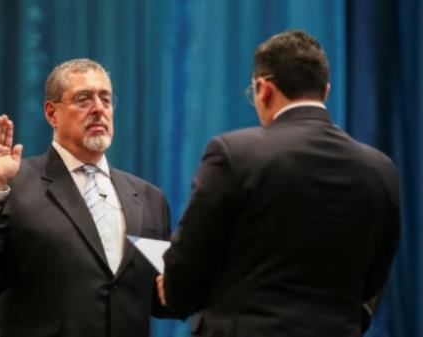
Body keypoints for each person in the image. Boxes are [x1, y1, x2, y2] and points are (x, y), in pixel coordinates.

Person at [157, 30, 400, 337]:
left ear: (264, 89)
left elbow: (188, 263)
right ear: (325, 91)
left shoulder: (235, 154)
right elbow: (373, 282)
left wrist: (175, 290)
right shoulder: (380, 169)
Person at [0, 58, 172, 337]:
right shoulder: (14, 184)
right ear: (52, 113)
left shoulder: (149, 198)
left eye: (106, 99)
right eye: (83, 99)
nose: (99, 109)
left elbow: (160, 299)